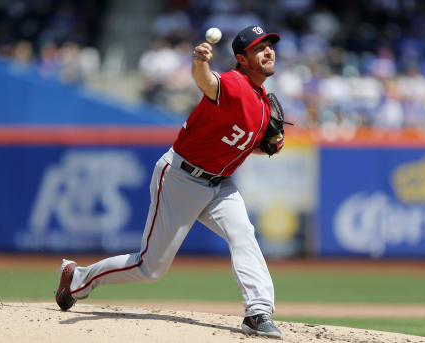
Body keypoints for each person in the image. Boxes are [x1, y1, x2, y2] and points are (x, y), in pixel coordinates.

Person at [55, 25, 284, 339]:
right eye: (260, 48)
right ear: (242, 59)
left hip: (220, 183)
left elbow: (238, 143)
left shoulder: (262, 102)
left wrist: (268, 146)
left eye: (270, 45)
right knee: (151, 268)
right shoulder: (233, 83)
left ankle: (257, 313)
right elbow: (206, 82)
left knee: (243, 233)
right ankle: (77, 277)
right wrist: (200, 62)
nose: (269, 51)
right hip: (181, 177)